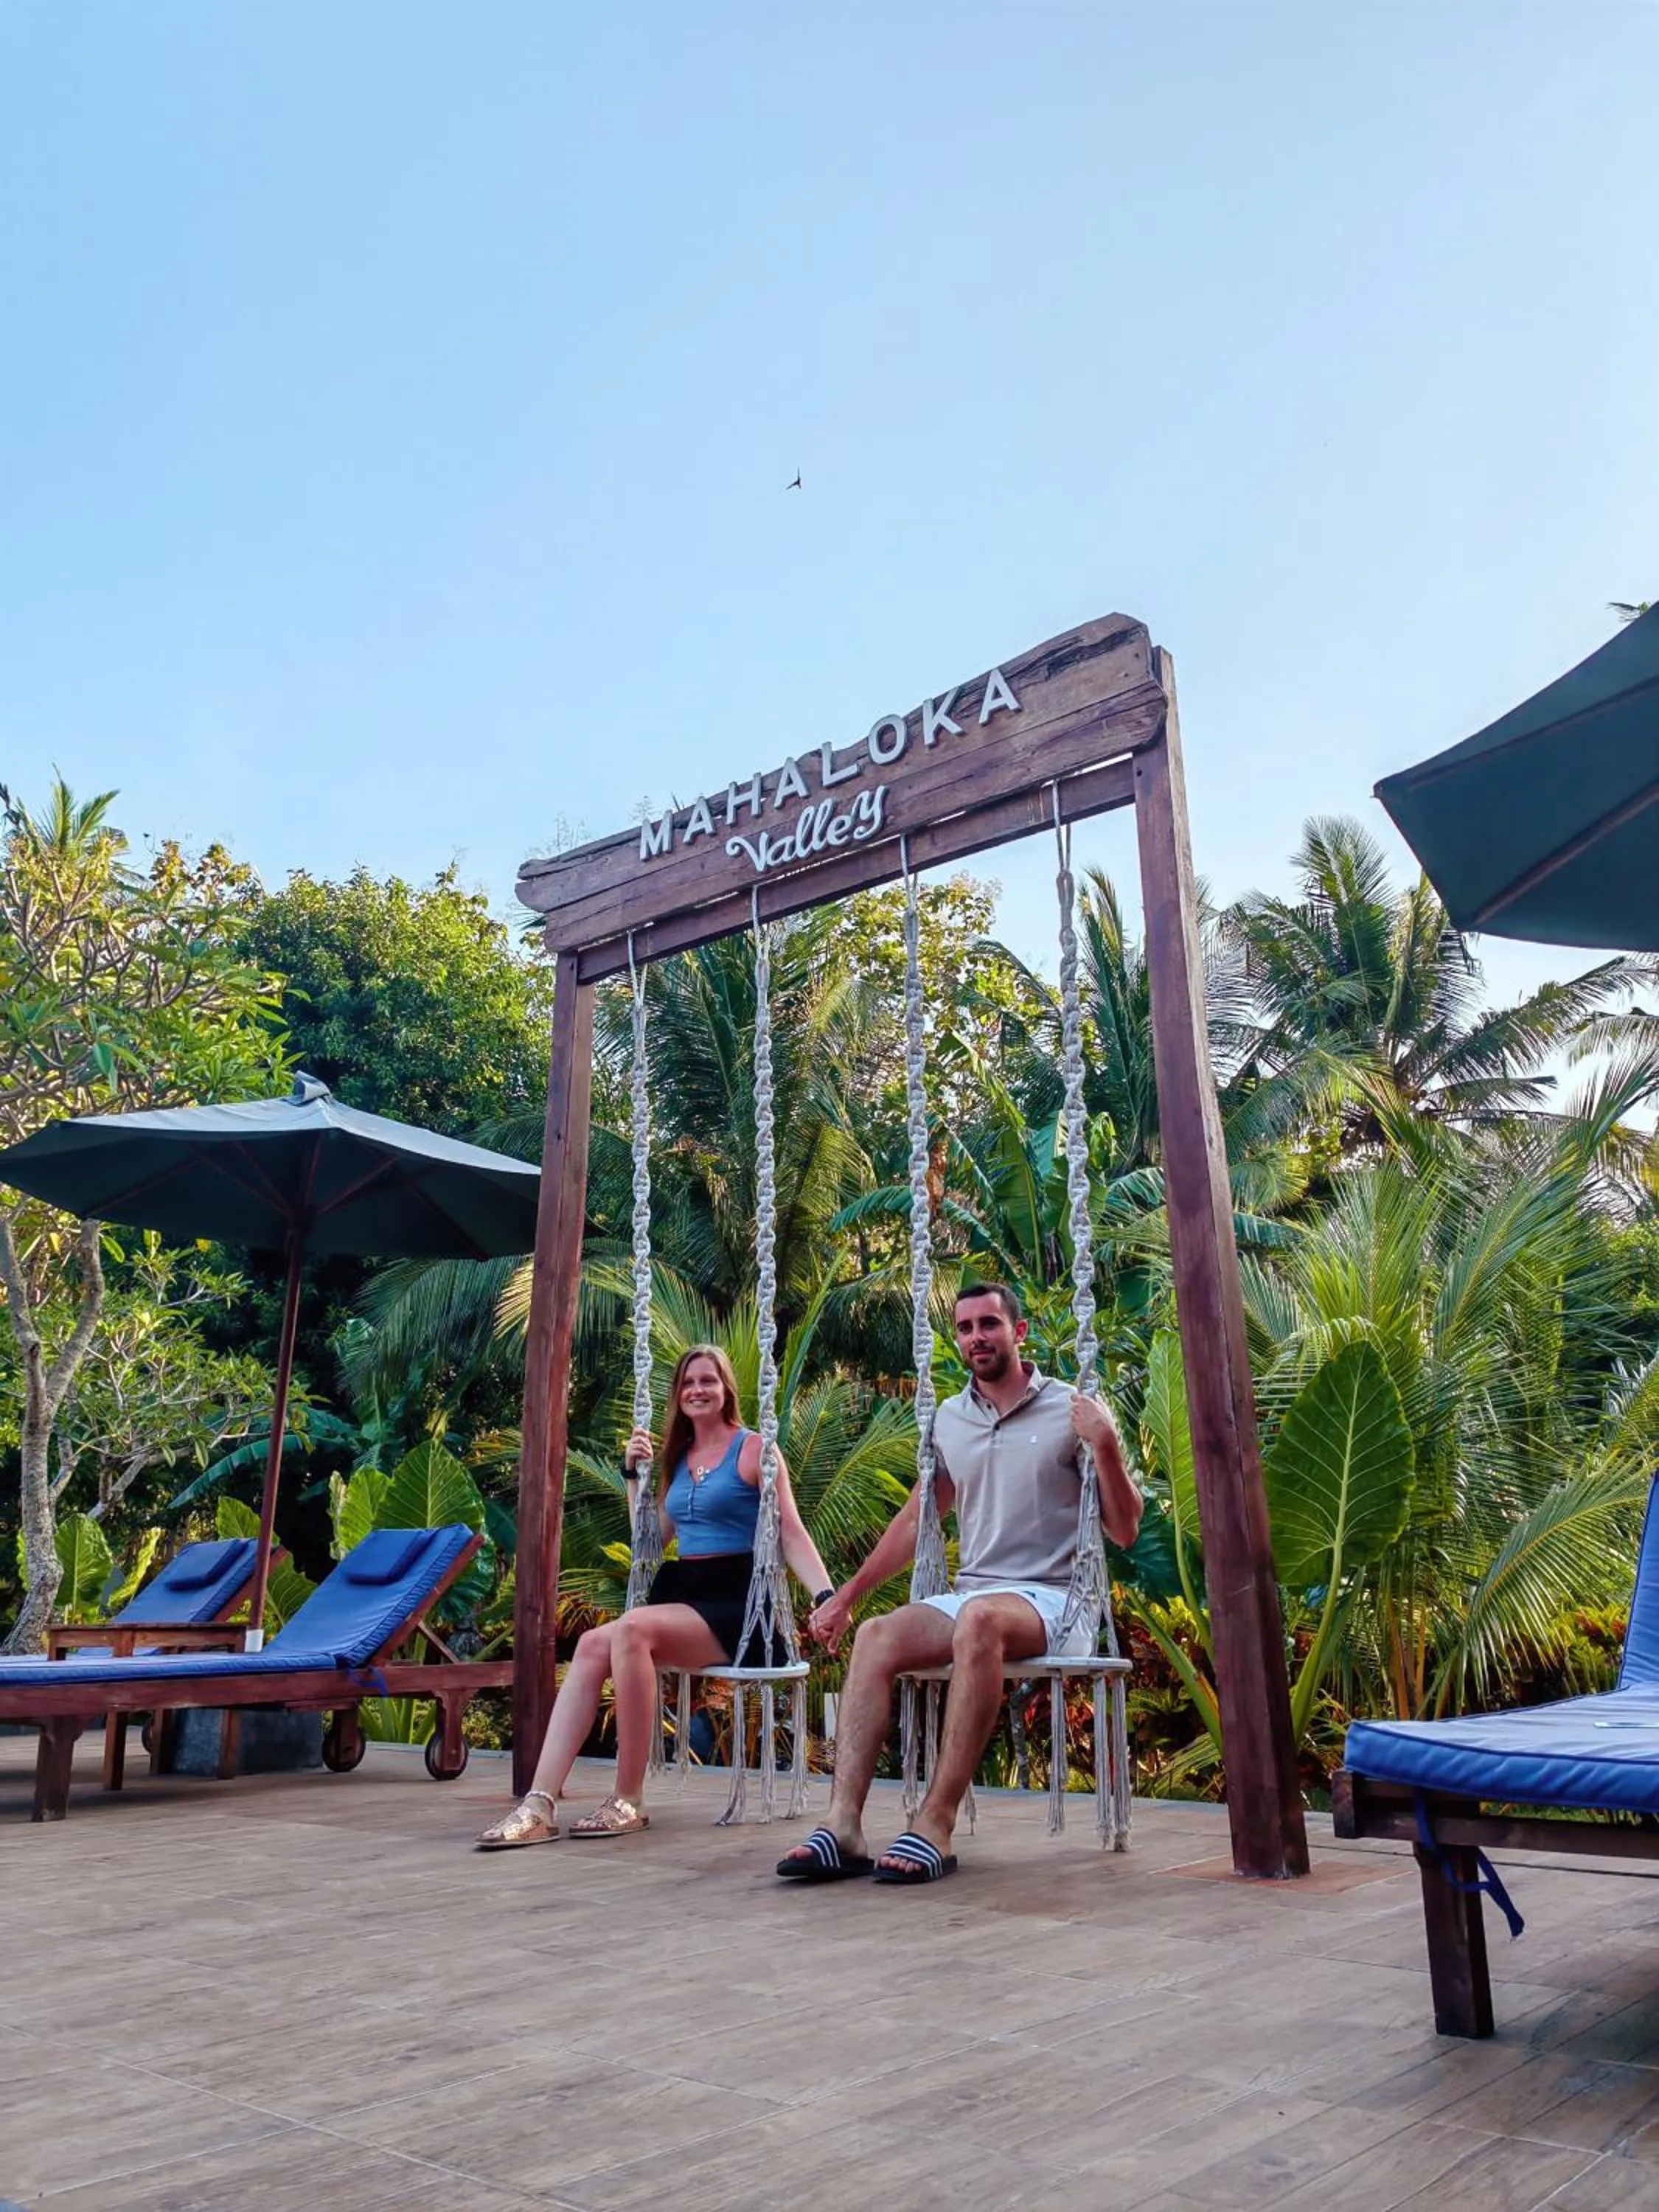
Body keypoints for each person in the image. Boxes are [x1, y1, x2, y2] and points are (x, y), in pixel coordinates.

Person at [776, 1281, 1141, 1885]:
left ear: (1018, 1332)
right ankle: (843, 1826)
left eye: (989, 1325)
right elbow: (918, 1518)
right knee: (876, 1636)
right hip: (976, 1592)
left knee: (979, 1622)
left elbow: (1125, 1530)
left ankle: (936, 1825)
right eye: (967, 1327)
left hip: (1057, 1602)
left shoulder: (1071, 1410)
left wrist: (1105, 1445)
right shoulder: (951, 1417)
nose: (977, 1337)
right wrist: (847, 1595)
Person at [479, 1342, 835, 1848]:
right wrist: (633, 1479)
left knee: (632, 1628)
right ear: (678, 1396)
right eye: (689, 1383)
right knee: (590, 1645)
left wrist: (825, 1596)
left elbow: (791, 1533)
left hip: (740, 1606)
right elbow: (651, 1540)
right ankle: (540, 1801)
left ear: (726, 1388)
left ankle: (629, 1798)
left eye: (708, 1380)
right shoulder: (680, 1458)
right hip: (686, 1593)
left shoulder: (756, 1449)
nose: (698, 1390)